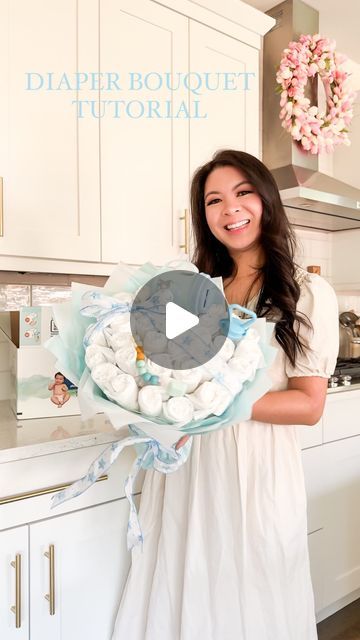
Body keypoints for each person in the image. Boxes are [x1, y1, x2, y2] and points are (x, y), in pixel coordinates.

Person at [112, 149, 339, 640]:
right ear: (203, 217)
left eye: (242, 193)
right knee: (181, 583)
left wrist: (213, 401)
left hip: (256, 472)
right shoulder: (190, 289)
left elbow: (309, 404)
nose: (229, 209)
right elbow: (156, 370)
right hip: (186, 469)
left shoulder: (306, 292)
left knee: (251, 591)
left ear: (267, 200)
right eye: (214, 200)